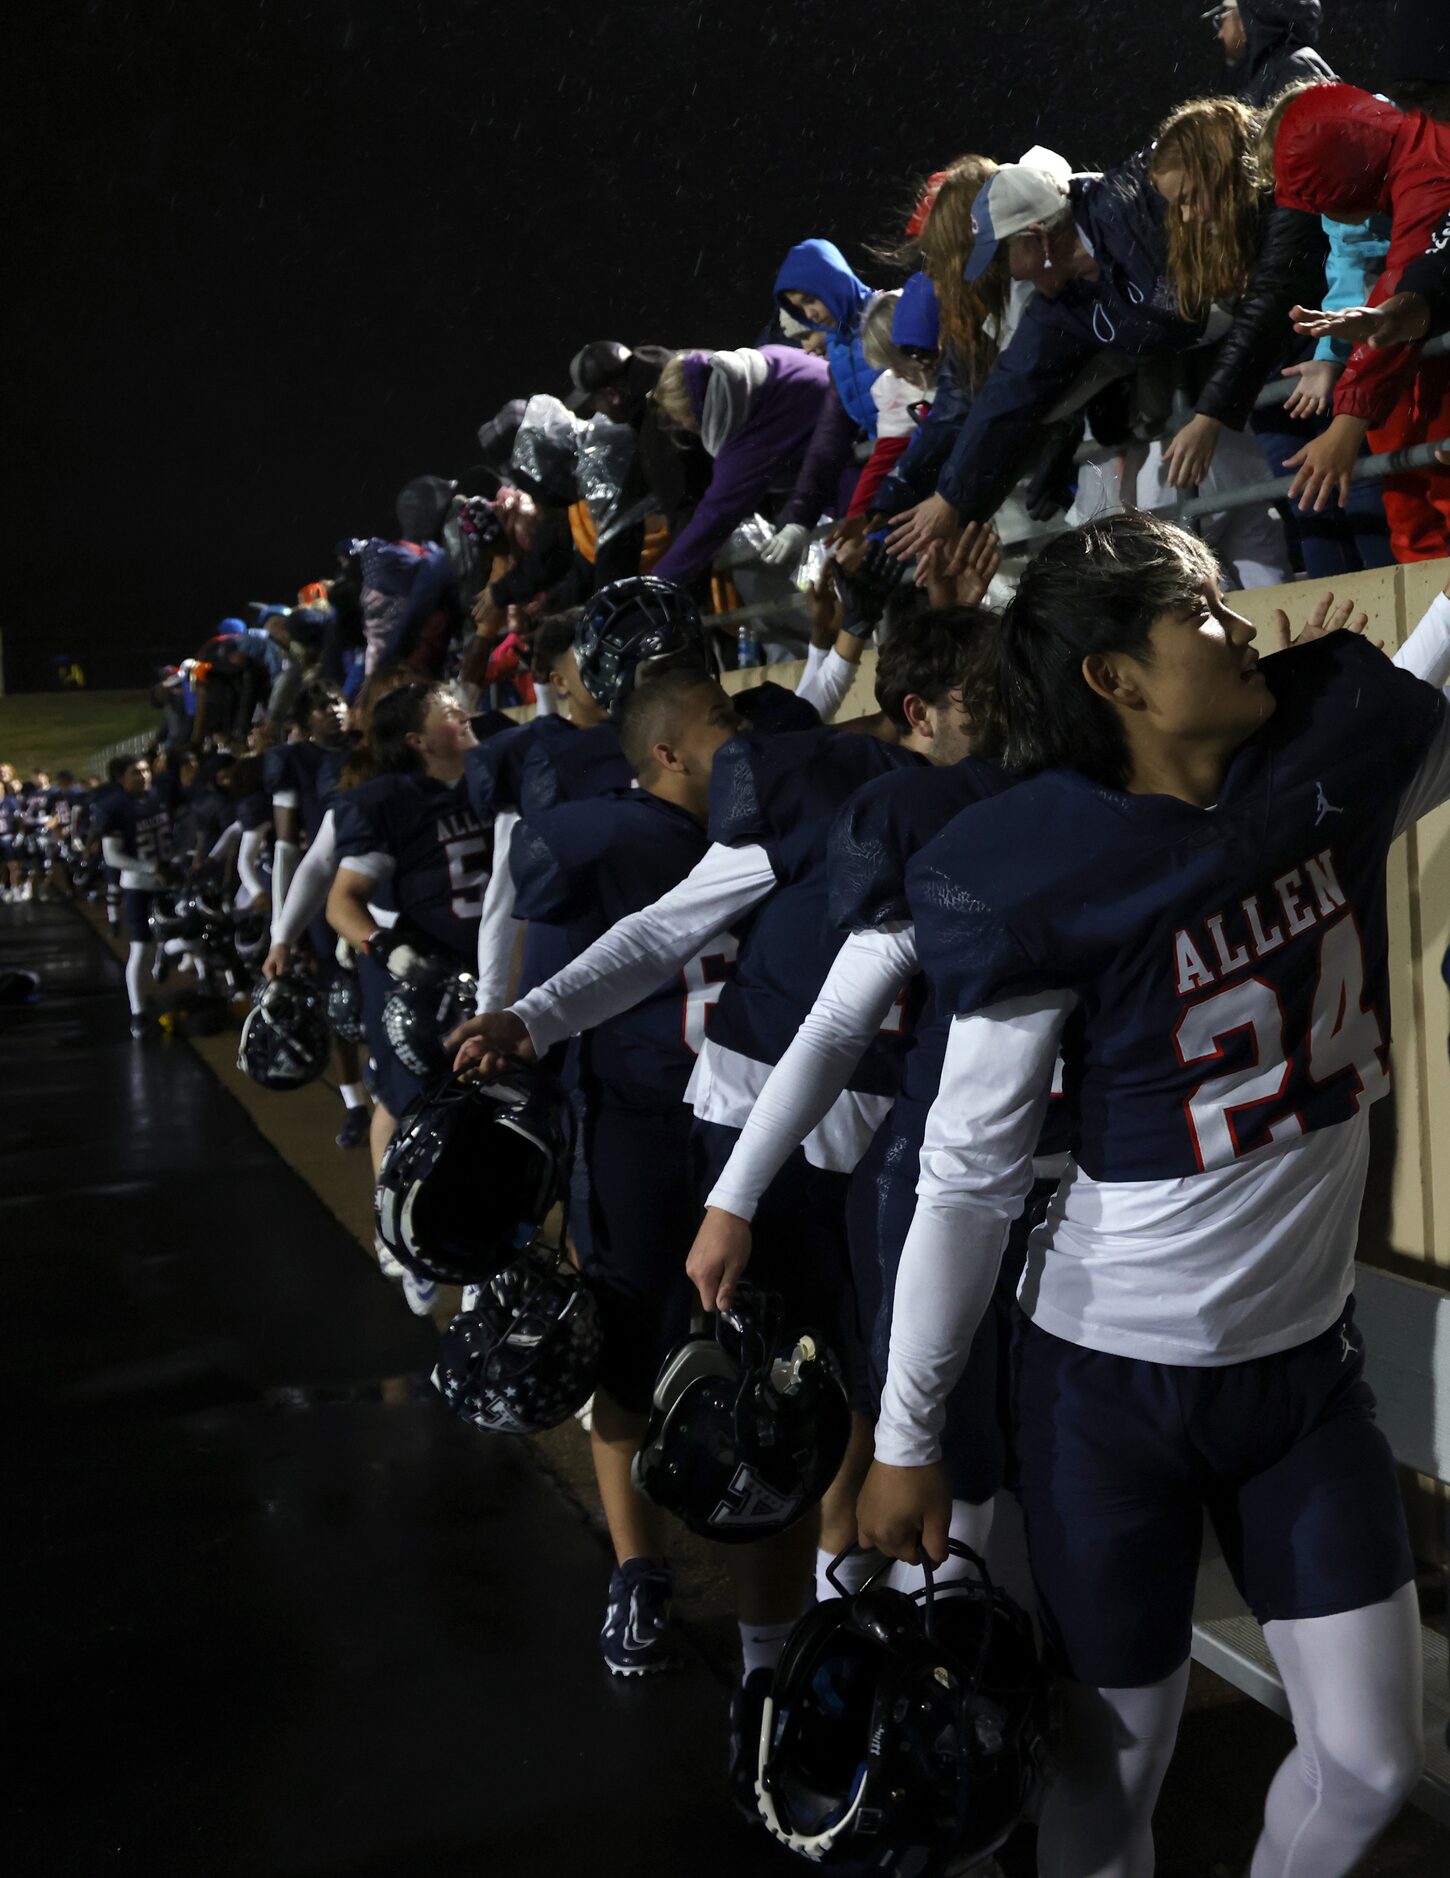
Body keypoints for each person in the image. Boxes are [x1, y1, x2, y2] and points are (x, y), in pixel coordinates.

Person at [856, 510, 1450, 1878]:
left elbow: (1422, 691)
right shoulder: (1053, 866)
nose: (1241, 621)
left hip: (1301, 1376)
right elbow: (963, 1177)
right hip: (1111, 1390)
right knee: (1104, 1790)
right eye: (1196, 608)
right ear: (1113, 678)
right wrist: (906, 1433)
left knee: (1366, 1764)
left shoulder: (1317, 777)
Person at [449, 602, 997, 1803]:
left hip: (895, 1135)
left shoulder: (1010, 783)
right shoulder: (826, 789)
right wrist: (532, 1016)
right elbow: (663, 931)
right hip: (758, 1120)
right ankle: (768, 1667)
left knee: (887, 1381)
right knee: (780, 1406)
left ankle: (847, 1610)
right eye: (986, 700)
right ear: (923, 712)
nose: (1012, 721)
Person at [506, 666, 749, 1675]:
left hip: (748, 1120)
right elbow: (541, 937)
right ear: (665, 750)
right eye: (716, 726)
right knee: (628, 1337)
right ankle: (635, 1567)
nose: (738, 742)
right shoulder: (602, 836)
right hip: (642, 1120)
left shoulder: (760, 818)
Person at [1263, 82, 1450, 559]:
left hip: (1425, 370)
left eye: (1325, 200)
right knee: (1415, 525)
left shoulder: (1428, 172)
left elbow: (1410, 285)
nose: (1326, 214)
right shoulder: (1410, 151)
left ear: (1348, 179)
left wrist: (1345, 427)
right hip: (1403, 367)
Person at [262, 683, 370, 1149]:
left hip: (375, 879)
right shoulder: (295, 762)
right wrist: (283, 925)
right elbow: (289, 847)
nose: (336, 711)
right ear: (305, 723)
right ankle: (354, 1104)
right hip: (325, 888)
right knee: (337, 999)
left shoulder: (369, 747)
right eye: (324, 707)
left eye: (338, 702)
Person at [648, 345, 832, 591]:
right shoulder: (766, 359)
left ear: (696, 409)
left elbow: (713, 519)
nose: (684, 426)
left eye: (681, 418)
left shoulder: (750, 442)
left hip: (863, 472)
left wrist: (655, 584)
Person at [764, 239, 882, 568]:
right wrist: (799, 520)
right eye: (800, 308)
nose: (810, 313)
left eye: (811, 299)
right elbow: (829, 439)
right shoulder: (840, 350)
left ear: (833, 282)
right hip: (898, 475)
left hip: (930, 474)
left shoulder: (892, 314)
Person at [95, 755, 175, 1039]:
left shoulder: (160, 796)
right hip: (139, 885)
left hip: (169, 882)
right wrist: (153, 867)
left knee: (188, 937)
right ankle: (138, 1012)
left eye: (144, 770)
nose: (143, 775)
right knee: (141, 949)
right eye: (134, 772)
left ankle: (169, 958)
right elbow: (112, 855)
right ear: (120, 778)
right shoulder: (114, 808)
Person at [1205, 2, 1333, 108]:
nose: (1220, 33)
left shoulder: (1292, 69)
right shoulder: (1269, 71)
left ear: (1245, 21)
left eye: (1222, 19)